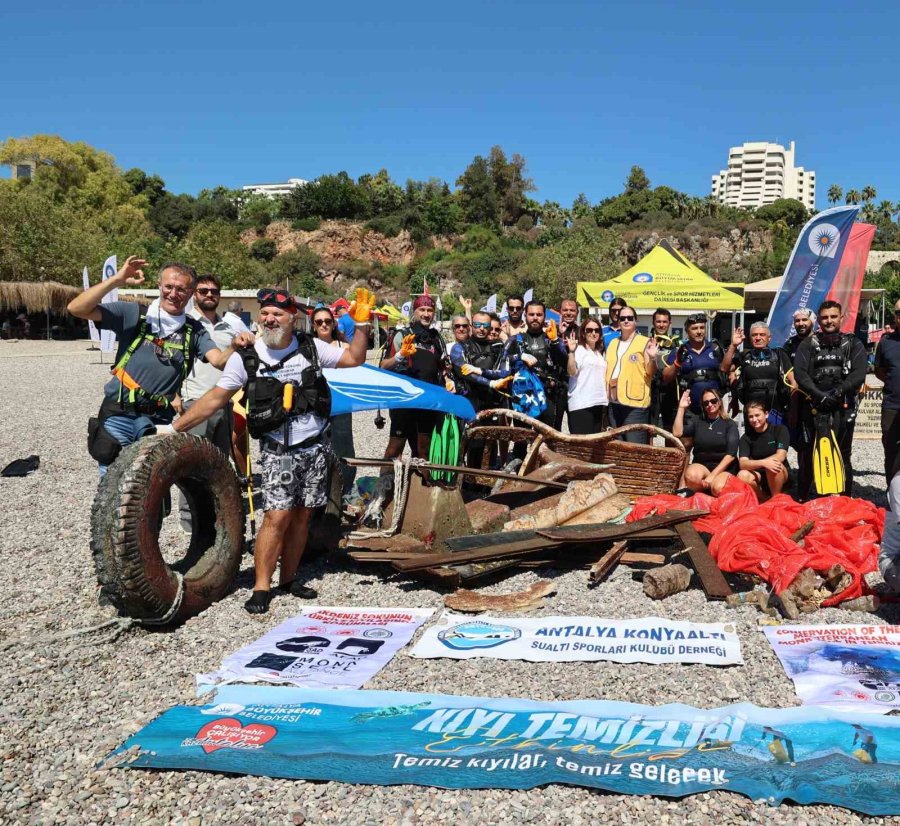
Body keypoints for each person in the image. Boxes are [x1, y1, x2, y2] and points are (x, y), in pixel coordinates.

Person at [171, 286, 375, 614]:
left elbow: (354, 358)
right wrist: (174, 428)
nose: (269, 318)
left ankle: (289, 579)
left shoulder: (312, 348)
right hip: (278, 449)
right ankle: (261, 586)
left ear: (292, 318)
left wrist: (362, 326)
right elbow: (216, 398)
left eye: (277, 313)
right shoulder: (247, 357)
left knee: (301, 516)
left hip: (314, 447)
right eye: (264, 313)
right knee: (276, 516)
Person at [67, 256, 252, 473]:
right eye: (169, 287)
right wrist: (117, 280)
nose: (173, 294)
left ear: (191, 293)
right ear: (159, 286)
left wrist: (234, 346)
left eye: (181, 289)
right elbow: (76, 308)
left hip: (157, 421)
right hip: (119, 414)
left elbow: (218, 361)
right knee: (113, 490)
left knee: (152, 488)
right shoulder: (134, 314)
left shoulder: (194, 330)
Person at [177, 274, 243, 530]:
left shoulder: (229, 328)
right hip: (195, 401)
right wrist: (175, 395)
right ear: (194, 293)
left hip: (224, 403)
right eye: (204, 290)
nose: (209, 295)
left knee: (219, 462)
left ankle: (216, 515)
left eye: (214, 291)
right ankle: (190, 520)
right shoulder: (186, 323)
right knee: (192, 463)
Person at [793, 300, 868, 499]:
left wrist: (837, 393)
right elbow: (800, 374)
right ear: (819, 320)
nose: (829, 321)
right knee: (809, 454)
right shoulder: (808, 344)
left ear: (841, 318)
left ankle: (843, 499)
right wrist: (819, 395)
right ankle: (805, 498)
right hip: (814, 407)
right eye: (825, 317)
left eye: (833, 316)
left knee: (843, 454)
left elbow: (859, 373)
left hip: (842, 407)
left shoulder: (853, 343)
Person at [380, 294, 451, 459]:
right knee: (395, 448)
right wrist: (400, 355)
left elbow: (442, 368)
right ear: (415, 311)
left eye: (430, 310)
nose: (426, 314)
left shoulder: (437, 338)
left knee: (423, 449)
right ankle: (387, 482)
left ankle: (419, 482)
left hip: (427, 400)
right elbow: (383, 366)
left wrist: (447, 380)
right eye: (422, 310)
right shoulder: (402, 334)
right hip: (404, 400)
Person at [450, 310, 513, 467]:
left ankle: (485, 483)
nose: (482, 329)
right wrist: (490, 382)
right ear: (472, 326)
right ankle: (464, 481)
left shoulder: (498, 347)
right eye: (478, 325)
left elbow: (504, 372)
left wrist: (481, 371)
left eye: (485, 325)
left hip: (491, 402)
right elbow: (464, 373)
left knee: (489, 444)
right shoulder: (460, 347)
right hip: (468, 400)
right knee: (468, 442)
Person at [502, 300, 568, 430]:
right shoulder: (515, 340)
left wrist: (555, 342)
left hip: (548, 396)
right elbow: (502, 362)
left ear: (544, 316)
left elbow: (565, 364)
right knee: (521, 441)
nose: (535, 318)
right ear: (525, 316)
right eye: (531, 314)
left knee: (549, 441)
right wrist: (519, 357)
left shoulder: (552, 338)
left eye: (539, 314)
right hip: (523, 395)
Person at [312, 305, 356, 494]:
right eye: (319, 322)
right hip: (315, 406)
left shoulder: (343, 347)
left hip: (341, 405)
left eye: (328, 321)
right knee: (315, 449)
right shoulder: (307, 347)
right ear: (313, 325)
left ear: (334, 324)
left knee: (343, 447)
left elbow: (358, 369)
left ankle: (344, 489)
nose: (324, 325)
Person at [662, 312, 734, 419]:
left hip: (714, 409)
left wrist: (733, 346)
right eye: (695, 328)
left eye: (702, 328)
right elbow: (666, 377)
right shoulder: (679, 350)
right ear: (687, 331)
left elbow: (726, 368)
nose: (699, 331)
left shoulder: (715, 348)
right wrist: (677, 362)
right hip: (689, 411)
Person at [605, 306, 658, 443]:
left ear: (636, 320)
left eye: (630, 318)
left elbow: (650, 372)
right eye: (623, 318)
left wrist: (652, 358)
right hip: (614, 402)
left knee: (635, 447)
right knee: (618, 446)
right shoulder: (612, 343)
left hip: (635, 404)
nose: (626, 321)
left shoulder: (644, 342)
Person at [673, 388, 738, 495]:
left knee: (718, 488)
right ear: (702, 406)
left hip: (724, 469)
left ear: (719, 402)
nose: (710, 404)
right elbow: (677, 432)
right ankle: (702, 494)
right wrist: (681, 408)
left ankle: (711, 491)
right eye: (706, 403)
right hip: (703, 467)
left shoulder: (729, 424)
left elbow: (731, 455)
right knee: (691, 476)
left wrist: (712, 476)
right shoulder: (698, 421)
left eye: (713, 401)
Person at [727, 322, 795, 424]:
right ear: (749, 338)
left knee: (775, 439)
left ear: (769, 338)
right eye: (754, 335)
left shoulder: (779, 355)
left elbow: (793, 382)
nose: (758, 338)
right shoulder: (744, 355)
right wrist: (733, 346)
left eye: (762, 334)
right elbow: (725, 368)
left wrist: (792, 410)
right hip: (752, 412)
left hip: (775, 410)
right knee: (753, 439)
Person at [737, 400, 790, 501]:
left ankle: (775, 498)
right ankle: (764, 498)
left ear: (766, 414)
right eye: (751, 417)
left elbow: (781, 455)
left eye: (757, 415)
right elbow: (743, 463)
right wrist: (764, 463)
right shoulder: (746, 438)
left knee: (773, 465)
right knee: (742, 475)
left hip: (778, 473)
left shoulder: (779, 430)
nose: (754, 419)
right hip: (758, 474)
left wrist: (766, 464)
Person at [566, 319, 607, 434]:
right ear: (583, 333)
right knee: (581, 447)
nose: (593, 333)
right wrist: (571, 352)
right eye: (589, 330)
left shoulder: (599, 353)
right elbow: (572, 372)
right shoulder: (579, 350)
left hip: (598, 403)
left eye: (597, 330)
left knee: (593, 446)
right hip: (582, 404)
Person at [875, 299, 900, 481]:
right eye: (899, 313)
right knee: (891, 451)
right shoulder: (886, 342)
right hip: (892, 405)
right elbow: (880, 371)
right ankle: (893, 495)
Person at [649, 308, 682, 432]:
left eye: (664, 322)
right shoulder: (647, 342)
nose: (661, 325)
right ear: (653, 323)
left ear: (670, 323)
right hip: (651, 389)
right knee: (649, 429)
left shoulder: (677, 343)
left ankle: (670, 452)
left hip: (670, 390)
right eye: (658, 322)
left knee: (671, 430)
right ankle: (649, 452)